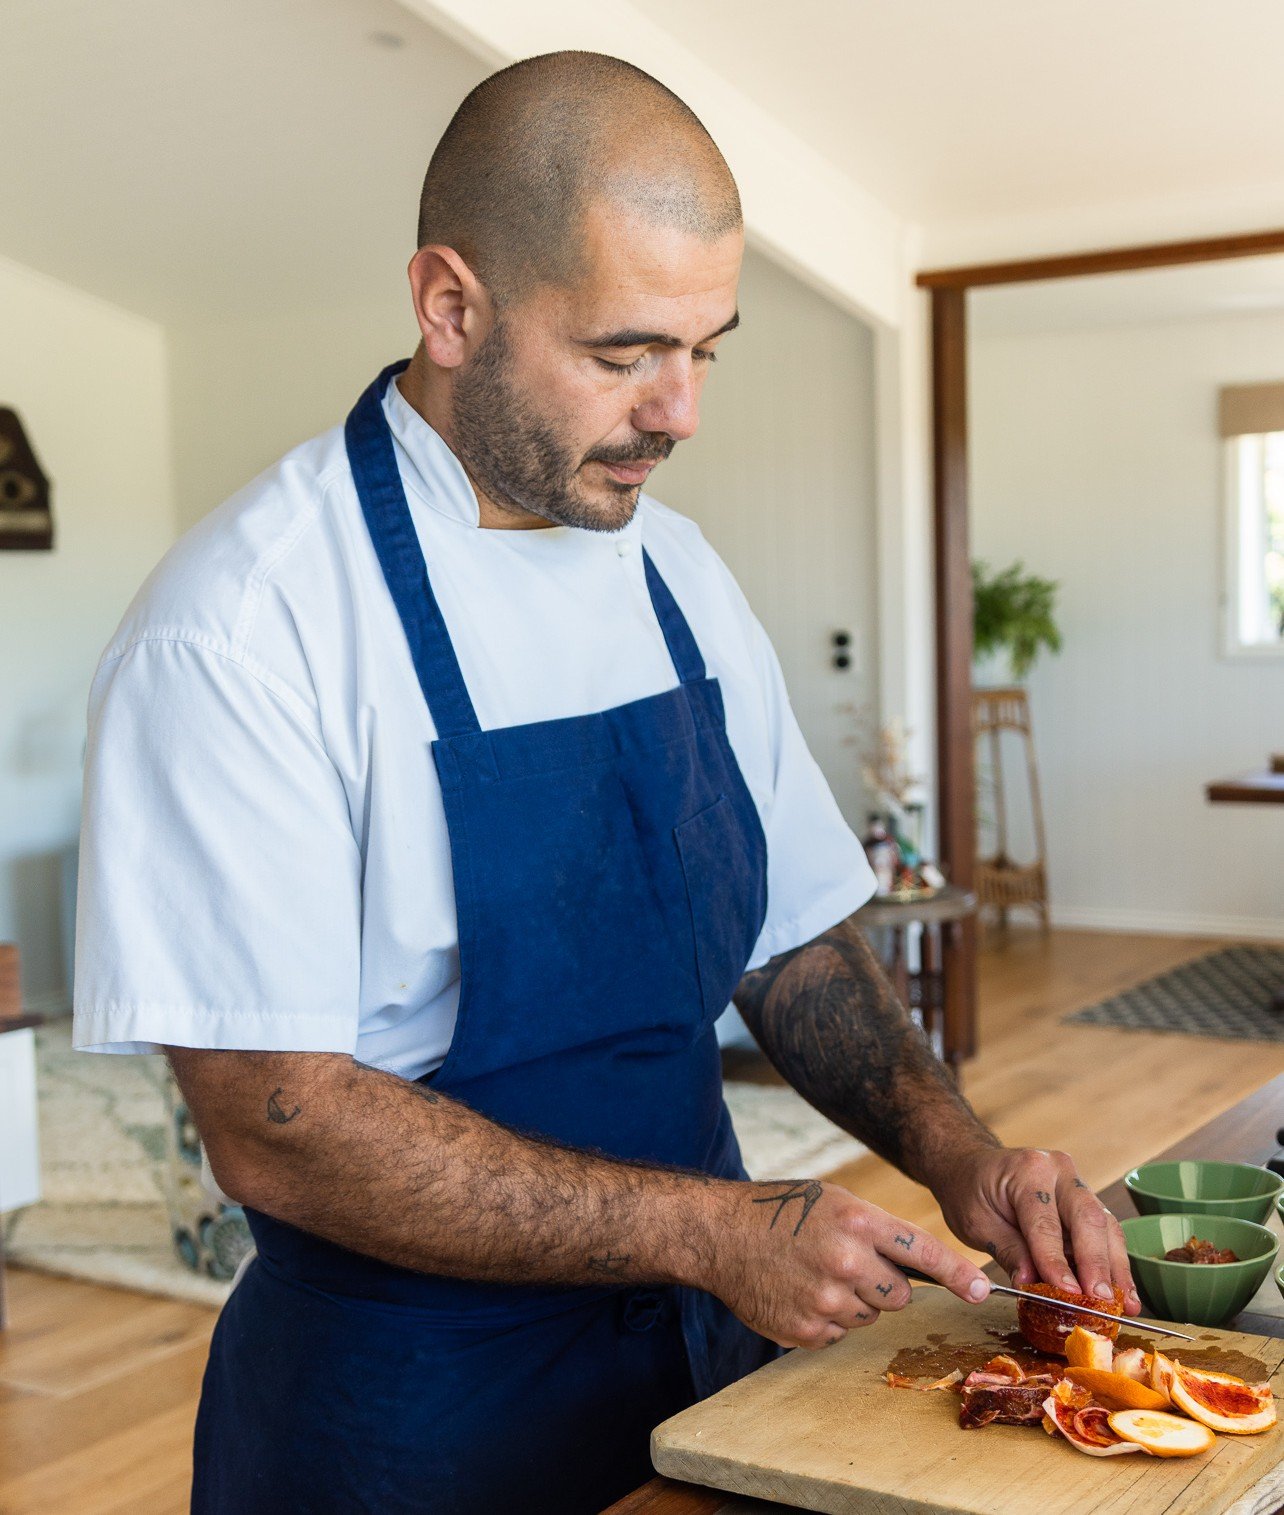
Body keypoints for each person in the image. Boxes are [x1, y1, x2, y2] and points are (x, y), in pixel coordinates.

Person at [73, 50, 1138, 1515]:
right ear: (451, 305)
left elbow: (794, 935)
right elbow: (279, 1121)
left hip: (710, 1360)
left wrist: (963, 1157)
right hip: (410, 1415)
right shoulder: (243, 625)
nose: (682, 411)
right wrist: (714, 1229)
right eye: (626, 353)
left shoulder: (679, 578)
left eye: (709, 349)